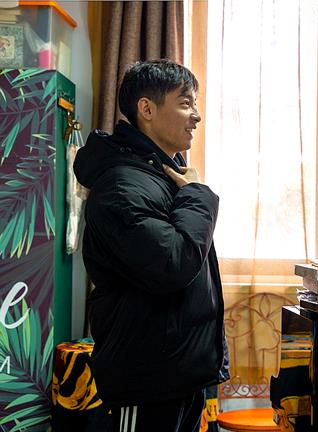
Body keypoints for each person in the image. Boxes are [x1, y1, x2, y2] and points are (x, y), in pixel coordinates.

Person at [73, 59, 228, 432]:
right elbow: (173, 264)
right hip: (147, 379)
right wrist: (198, 195)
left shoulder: (159, 175)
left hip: (178, 373)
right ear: (146, 109)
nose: (197, 116)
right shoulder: (122, 186)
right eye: (185, 103)